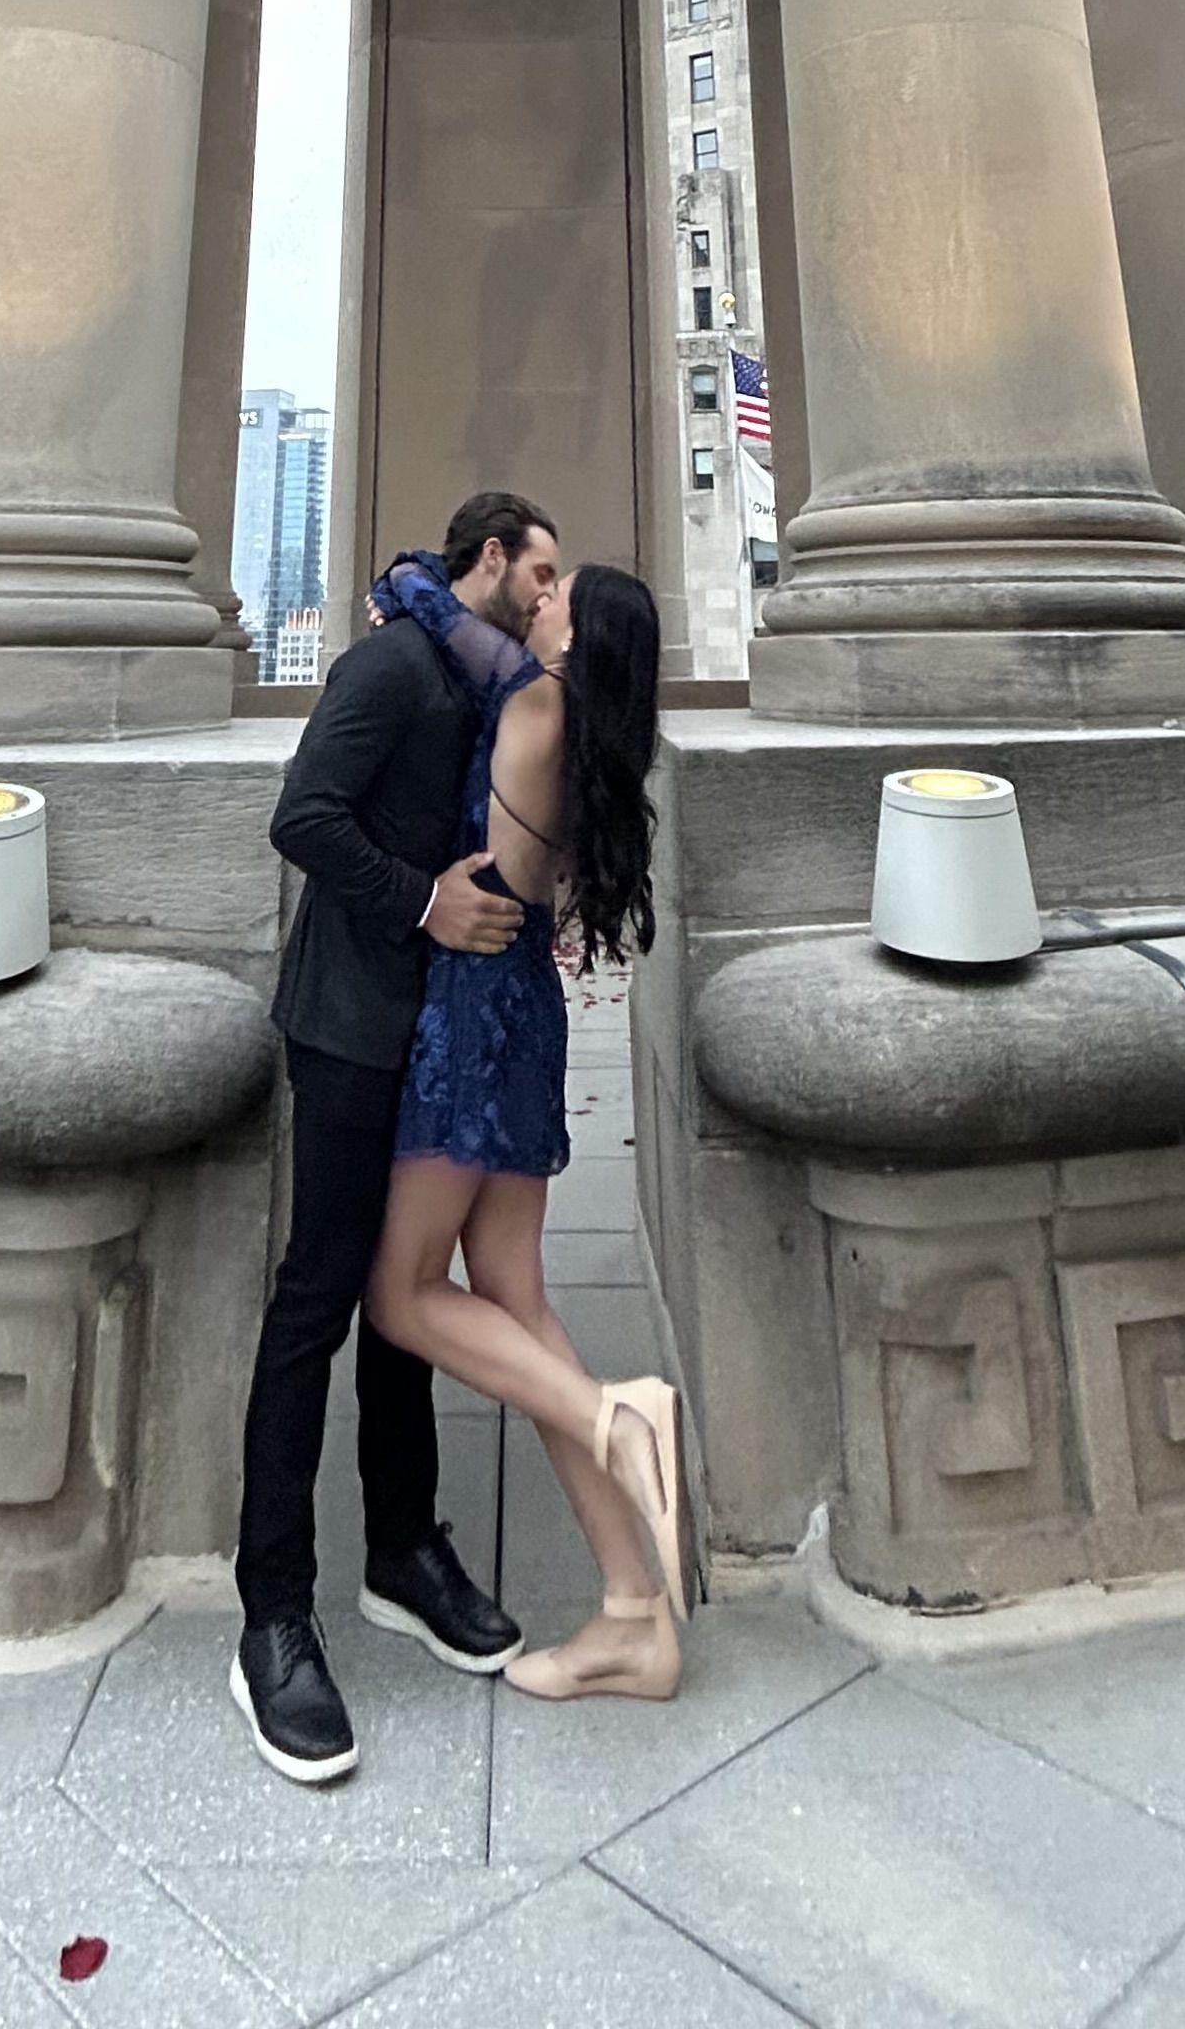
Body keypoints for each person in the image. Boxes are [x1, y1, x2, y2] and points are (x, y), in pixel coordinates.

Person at [230, 490, 561, 1786]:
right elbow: (303, 815)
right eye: (537, 573)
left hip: (439, 1037)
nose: (548, 596)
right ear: (489, 558)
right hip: (351, 1027)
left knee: (405, 1297)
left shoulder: (490, 681)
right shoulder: (391, 663)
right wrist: (423, 902)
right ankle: (272, 1612)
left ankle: (403, 1550)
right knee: (318, 1299)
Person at [361, 550, 687, 1704]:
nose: (538, 600)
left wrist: (411, 579)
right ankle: (634, 1614)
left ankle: (616, 1420)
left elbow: (433, 608)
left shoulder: (536, 699)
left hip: (468, 1010)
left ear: (575, 641)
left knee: (400, 1295)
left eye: (557, 596)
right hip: (524, 1010)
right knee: (515, 1299)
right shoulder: (582, 727)